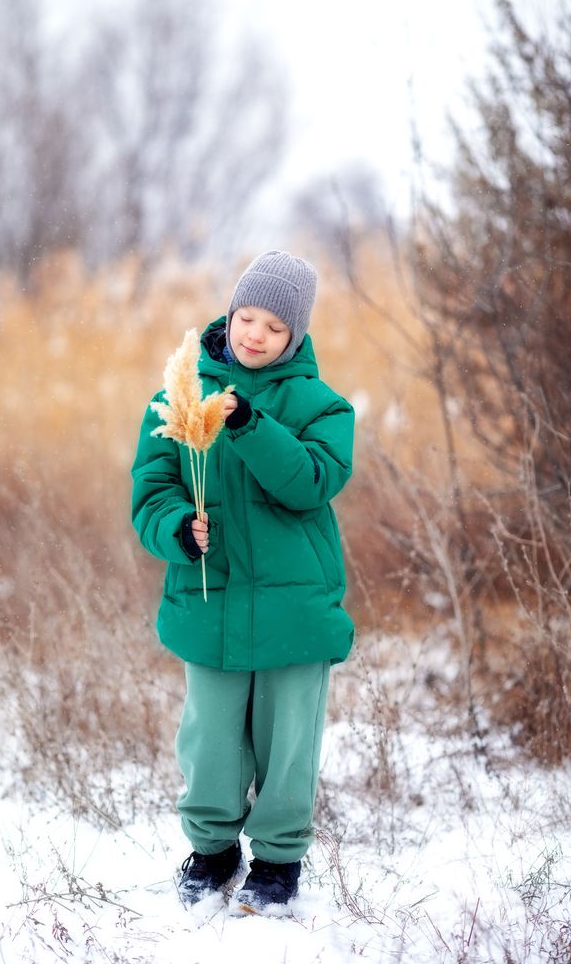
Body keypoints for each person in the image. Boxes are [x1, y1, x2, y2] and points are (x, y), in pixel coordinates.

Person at [131, 250, 355, 915]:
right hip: (212, 601)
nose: (254, 335)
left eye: (274, 327)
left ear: (296, 337)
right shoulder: (176, 399)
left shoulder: (323, 406)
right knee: (211, 739)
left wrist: (249, 425)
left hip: (296, 610)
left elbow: (311, 483)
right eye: (245, 317)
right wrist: (175, 526)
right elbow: (150, 492)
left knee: (288, 744)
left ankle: (280, 860)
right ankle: (212, 848)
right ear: (229, 315)